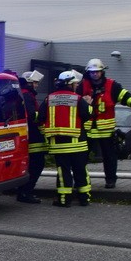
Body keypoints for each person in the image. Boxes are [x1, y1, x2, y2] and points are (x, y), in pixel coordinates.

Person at [79, 58, 131, 189]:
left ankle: (110, 180)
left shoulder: (112, 85)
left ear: (102, 72)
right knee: (81, 157)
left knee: (110, 157)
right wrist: (83, 103)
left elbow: (125, 95)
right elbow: (74, 102)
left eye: (97, 72)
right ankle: (81, 181)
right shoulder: (82, 86)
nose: (94, 74)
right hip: (88, 130)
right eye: (92, 72)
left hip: (105, 131)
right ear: (88, 73)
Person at [38, 71, 91, 207]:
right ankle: (84, 199)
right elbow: (87, 115)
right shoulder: (77, 99)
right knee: (81, 170)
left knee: (63, 171)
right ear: (69, 84)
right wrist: (89, 104)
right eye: (75, 83)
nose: (77, 85)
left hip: (58, 145)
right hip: (78, 144)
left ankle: (64, 200)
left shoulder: (49, 99)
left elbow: (40, 117)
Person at [16, 70, 47, 204]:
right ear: (28, 83)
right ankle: (25, 192)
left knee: (33, 165)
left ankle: (24, 191)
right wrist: (43, 115)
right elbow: (32, 115)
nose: (36, 85)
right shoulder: (27, 95)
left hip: (28, 135)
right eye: (34, 82)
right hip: (33, 136)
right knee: (37, 164)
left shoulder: (24, 94)